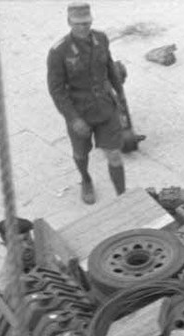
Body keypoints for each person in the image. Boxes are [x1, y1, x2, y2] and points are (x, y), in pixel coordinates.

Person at [47, 2, 128, 205]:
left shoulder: (101, 39)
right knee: (81, 153)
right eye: (78, 23)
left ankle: (123, 197)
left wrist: (120, 96)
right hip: (80, 111)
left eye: (86, 23)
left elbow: (110, 67)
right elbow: (56, 90)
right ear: (69, 22)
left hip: (105, 106)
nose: (83, 27)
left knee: (114, 154)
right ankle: (86, 179)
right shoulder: (59, 52)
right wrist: (73, 118)